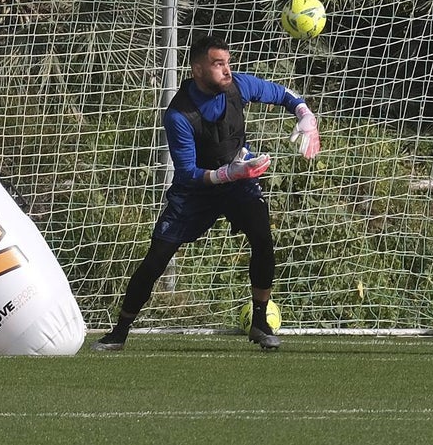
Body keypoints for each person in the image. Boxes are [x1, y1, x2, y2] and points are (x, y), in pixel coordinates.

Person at [92, 35, 320, 351]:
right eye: (218, 64)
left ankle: (260, 322)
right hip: (195, 191)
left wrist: (305, 114)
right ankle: (119, 332)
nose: (227, 70)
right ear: (198, 70)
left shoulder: (238, 85)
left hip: (239, 181)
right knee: (156, 259)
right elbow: (187, 173)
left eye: (228, 62)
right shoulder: (178, 115)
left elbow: (283, 94)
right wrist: (229, 172)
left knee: (262, 237)